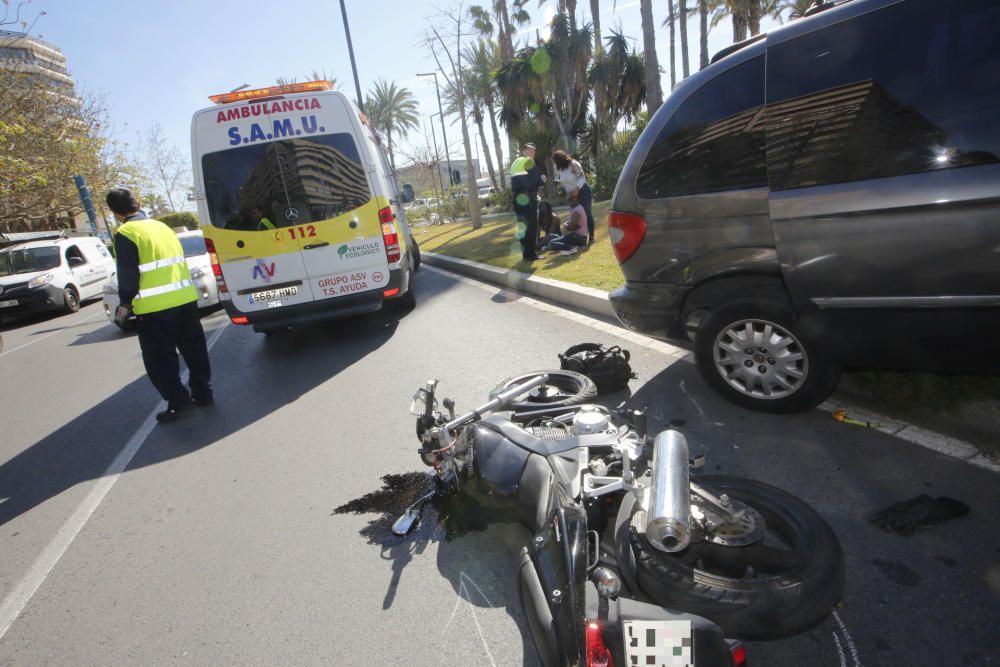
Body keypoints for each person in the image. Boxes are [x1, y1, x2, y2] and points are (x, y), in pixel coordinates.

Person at [106, 188, 213, 423]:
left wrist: (125, 305)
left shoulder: (126, 233)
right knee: (195, 350)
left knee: (160, 359)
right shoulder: (162, 227)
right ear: (138, 203)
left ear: (114, 212)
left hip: (154, 310)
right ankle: (203, 393)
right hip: (185, 301)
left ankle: (179, 403)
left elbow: (128, 275)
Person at [509, 142, 546, 261]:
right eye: (531, 150)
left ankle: (525, 252)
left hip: (517, 198)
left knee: (522, 225)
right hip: (528, 198)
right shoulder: (529, 162)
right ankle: (530, 254)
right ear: (525, 151)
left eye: (534, 151)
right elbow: (535, 181)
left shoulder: (515, 163)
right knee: (531, 226)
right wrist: (543, 180)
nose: (533, 153)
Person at [552, 149, 595, 244]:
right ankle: (580, 236)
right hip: (572, 194)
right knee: (576, 214)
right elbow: (567, 181)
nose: (555, 164)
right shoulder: (561, 169)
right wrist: (559, 183)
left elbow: (582, 178)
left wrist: (576, 189)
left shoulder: (573, 164)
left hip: (582, 190)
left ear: (561, 159)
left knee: (587, 213)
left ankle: (591, 236)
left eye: (556, 161)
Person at [540, 189, 588, 255]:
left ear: (576, 199)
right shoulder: (574, 209)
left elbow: (570, 228)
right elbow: (573, 226)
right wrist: (570, 225)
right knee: (551, 236)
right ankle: (549, 246)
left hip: (579, 238)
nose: (568, 201)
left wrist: (566, 225)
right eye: (568, 199)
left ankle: (572, 248)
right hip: (573, 236)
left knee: (552, 242)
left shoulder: (577, 211)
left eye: (570, 199)